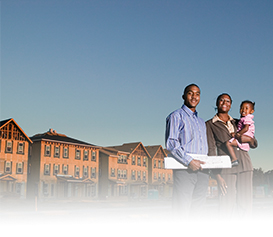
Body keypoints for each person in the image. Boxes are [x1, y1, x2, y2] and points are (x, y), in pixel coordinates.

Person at [206, 93, 257, 218]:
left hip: (245, 165)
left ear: (231, 105)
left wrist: (250, 140)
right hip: (226, 169)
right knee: (226, 204)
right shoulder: (210, 124)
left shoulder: (239, 122)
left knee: (245, 204)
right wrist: (217, 175)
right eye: (221, 100)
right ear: (217, 103)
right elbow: (211, 150)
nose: (224, 102)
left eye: (228, 101)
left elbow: (254, 143)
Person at [165, 84, 208, 217]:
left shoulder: (201, 122)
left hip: (202, 171)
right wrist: (189, 161)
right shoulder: (176, 116)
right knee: (181, 208)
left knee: (198, 209)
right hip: (185, 169)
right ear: (184, 96)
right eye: (190, 93)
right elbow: (171, 143)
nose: (194, 96)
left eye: (197, 93)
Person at [226, 100, 255, 166]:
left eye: (246, 108)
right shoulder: (243, 119)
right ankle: (234, 159)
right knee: (229, 143)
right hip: (244, 137)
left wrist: (238, 134)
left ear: (251, 111)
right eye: (241, 108)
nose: (243, 110)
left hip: (244, 136)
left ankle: (234, 159)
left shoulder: (247, 118)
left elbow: (246, 128)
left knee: (228, 143)